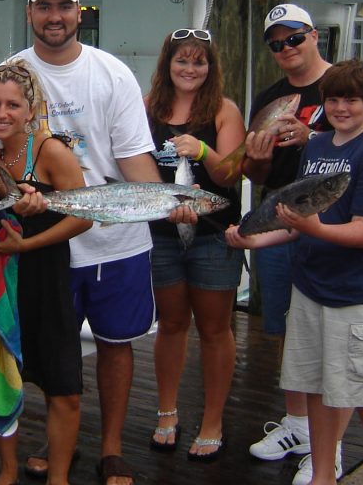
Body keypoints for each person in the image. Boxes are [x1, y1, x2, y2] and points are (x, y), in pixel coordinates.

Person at [0, 0, 197, 485]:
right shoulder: (6, 75)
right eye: (43, 7)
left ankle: (110, 449)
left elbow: (134, 158)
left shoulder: (112, 72)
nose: (54, 17)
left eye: (64, 7)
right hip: (41, 247)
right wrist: (9, 190)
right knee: (50, 356)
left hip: (115, 241)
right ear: (29, 13)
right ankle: (59, 450)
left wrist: (171, 203)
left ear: (79, 12)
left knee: (117, 344)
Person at [227, 59, 363, 485]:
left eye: (352, 100)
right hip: (311, 289)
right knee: (319, 387)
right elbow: (296, 220)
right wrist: (255, 238)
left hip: (357, 294)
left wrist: (312, 227)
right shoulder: (319, 147)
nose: (342, 107)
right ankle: (324, 474)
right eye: (334, 99)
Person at [0, 60, 92, 485]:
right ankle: (6, 472)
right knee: (2, 377)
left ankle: (58, 479)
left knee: (63, 387)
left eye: (12, 105)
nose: (1, 113)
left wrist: (28, 244)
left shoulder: (50, 150)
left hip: (47, 280)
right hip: (3, 284)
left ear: (31, 108)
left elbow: (84, 216)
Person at [144, 28, 244, 461]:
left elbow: (231, 175)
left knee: (215, 329)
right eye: (182, 60)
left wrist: (202, 149)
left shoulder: (224, 110)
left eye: (198, 61)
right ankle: (167, 411)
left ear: (211, 67)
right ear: (168, 63)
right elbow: (134, 162)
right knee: (170, 325)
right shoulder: (148, 108)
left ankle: (212, 420)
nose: (189, 69)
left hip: (213, 234)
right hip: (161, 233)